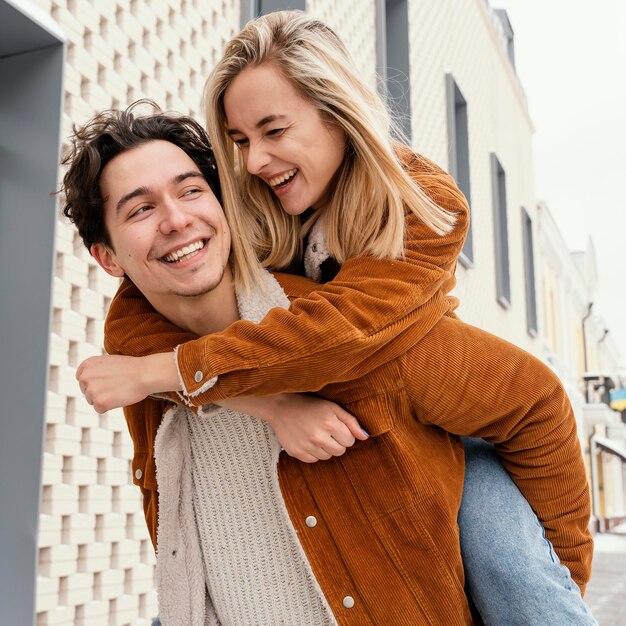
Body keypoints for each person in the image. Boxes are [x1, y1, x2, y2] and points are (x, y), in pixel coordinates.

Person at [65, 104, 597, 625]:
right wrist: (269, 404)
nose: (177, 219)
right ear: (108, 258)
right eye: (140, 209)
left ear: (224, 208)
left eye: (191, 190)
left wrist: (548, 593)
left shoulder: (351, 341)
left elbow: (536, 398)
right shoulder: (142, 377)